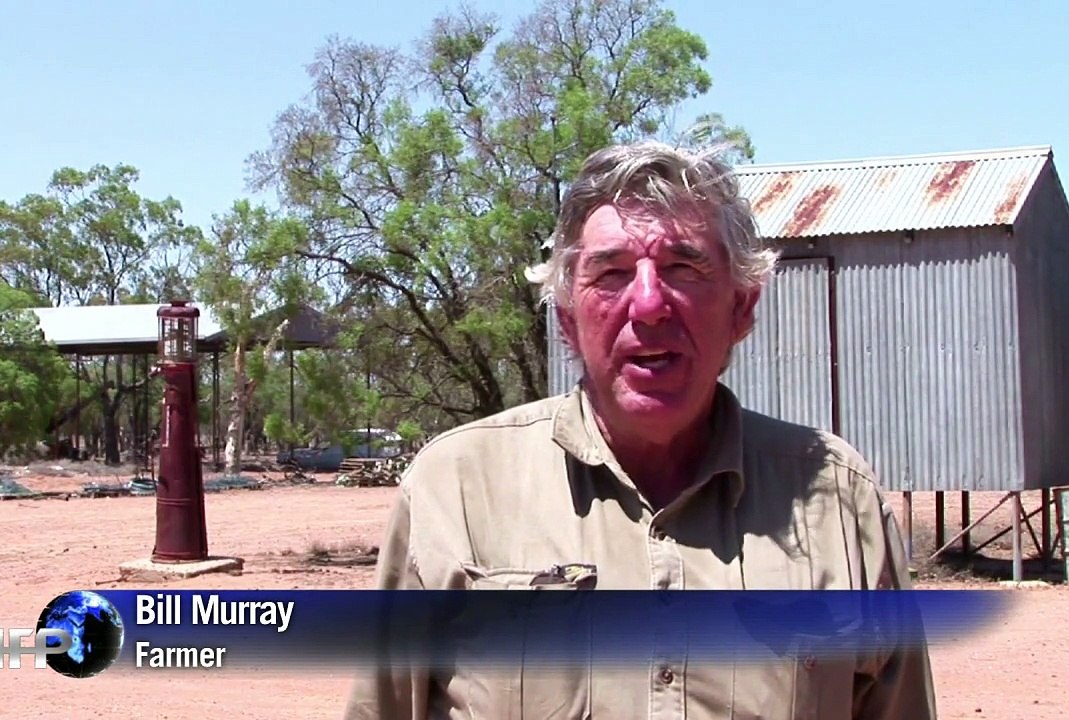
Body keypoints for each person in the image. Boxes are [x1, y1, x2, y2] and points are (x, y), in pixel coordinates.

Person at [344, 141, 937, 719]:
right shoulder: (458, 487)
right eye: (612, 272)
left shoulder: (837, 498)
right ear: (568, 320)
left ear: (742, 308)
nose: (649, 303)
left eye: (683, 266)